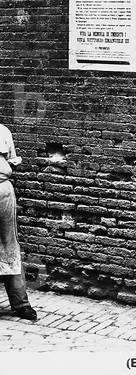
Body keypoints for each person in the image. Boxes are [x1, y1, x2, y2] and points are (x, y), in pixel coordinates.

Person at [0, 124, 37, 321]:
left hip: (2, 191)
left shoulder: (3, 131)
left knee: (9, 245)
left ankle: (21, 303)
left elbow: (12, 161)